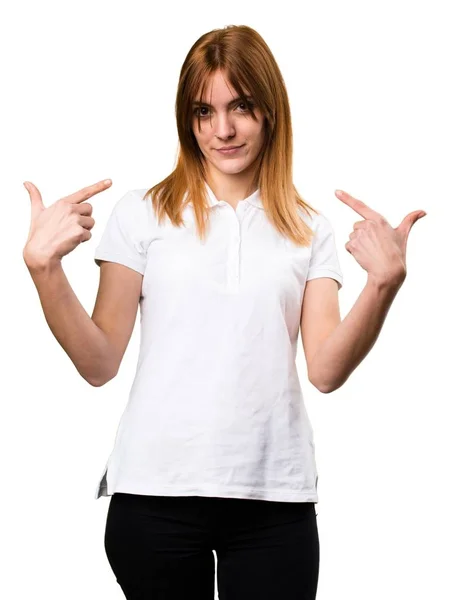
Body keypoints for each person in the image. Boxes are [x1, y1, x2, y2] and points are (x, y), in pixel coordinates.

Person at [22, 23, 426, 600]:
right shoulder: (142, 214)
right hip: (155, 493)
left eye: (241, 106)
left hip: (274, 497)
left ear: (270, 111)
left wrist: (382, 285)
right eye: (203, 112)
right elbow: (98, 361)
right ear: (187, 120)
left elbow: (327, 371)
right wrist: (45, 270)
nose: (224, 129)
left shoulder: (310, 229)